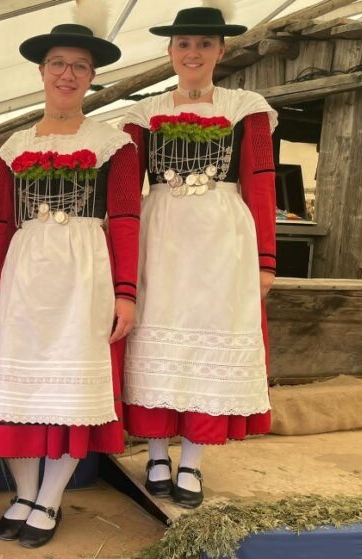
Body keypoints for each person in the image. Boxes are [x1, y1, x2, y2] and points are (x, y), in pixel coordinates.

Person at [0, 19, 140, 549]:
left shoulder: (113, 144)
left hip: (83, 277)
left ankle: (50, 496)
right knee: (18, 390)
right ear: (42, 71)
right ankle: (25, 492)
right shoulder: (13, 147)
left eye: (79, 66)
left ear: (91, 77)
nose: (67, 74)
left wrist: (125, 291)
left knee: (72, 392)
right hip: (23, 278)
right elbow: (0, 224)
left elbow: (125, 220)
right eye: (58, 64)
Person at [120, 3, 277, 509]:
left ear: (221, 51)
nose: (193, 53)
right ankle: (156, 453)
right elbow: (125, 191)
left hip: (222, 243)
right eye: (184, 44)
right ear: (170, 51)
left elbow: (261, 183)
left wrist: (266, 260)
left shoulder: (245, 107)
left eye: (204, 44)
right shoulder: (143, 114)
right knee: (155, 334)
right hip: (160, 239)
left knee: (208, 342)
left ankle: (192, 459)